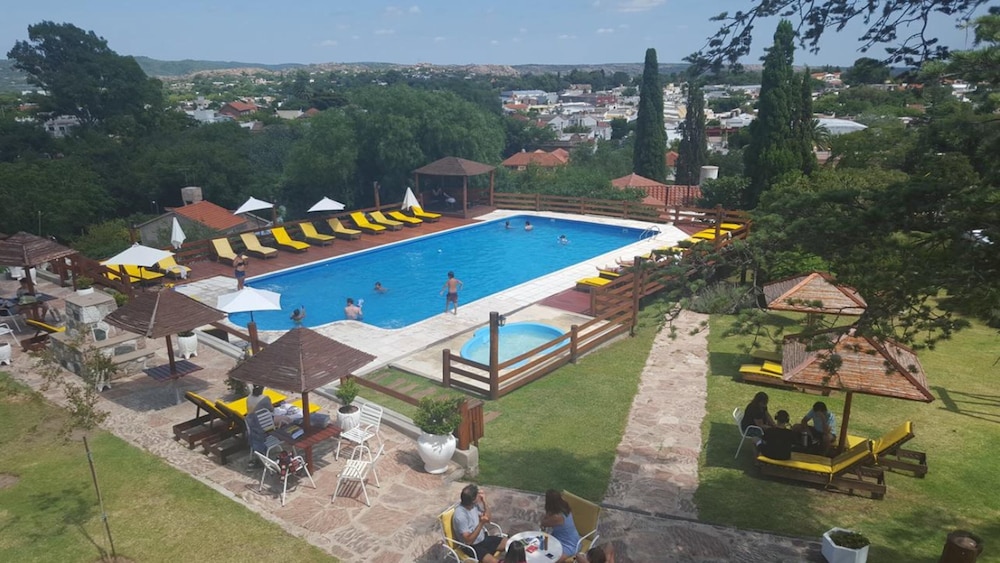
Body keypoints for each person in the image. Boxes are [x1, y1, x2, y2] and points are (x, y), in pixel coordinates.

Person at [453, 484, 507, 563]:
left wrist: (484, 502)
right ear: (474, 499)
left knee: (512, 544)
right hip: (472, 547)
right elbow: (468, 541)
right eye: (478, 494)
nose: (480, 494)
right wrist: (481, 523)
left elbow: (488, 518)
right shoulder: (460, 516)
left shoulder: (473, 505)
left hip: (483, 539)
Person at [540, 489, 581, 562]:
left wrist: (547, 513)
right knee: (542, 549)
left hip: (568, 544)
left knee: (552, 559)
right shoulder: (564, 506)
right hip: (561, 537)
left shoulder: (557, 517)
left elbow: (543, 523)